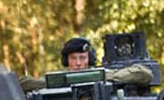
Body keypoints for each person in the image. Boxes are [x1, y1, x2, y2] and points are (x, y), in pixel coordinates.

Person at [19, 36, 153, 91]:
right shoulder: (57, 80)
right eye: (73, 58)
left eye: (82, 58)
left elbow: (144, 74)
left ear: (89, 59)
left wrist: (105, 77)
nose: (78, 63)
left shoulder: (104, 75)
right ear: (67, 61)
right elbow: (23, 83)